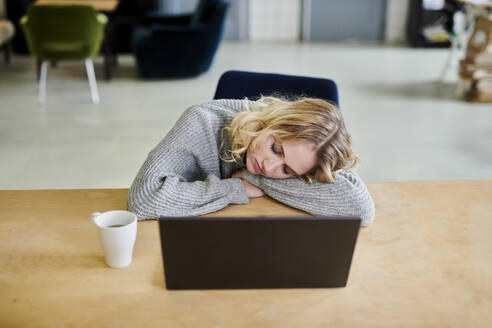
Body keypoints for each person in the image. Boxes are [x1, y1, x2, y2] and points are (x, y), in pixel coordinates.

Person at [127, 97, 375, 226]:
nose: (269, 166)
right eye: (276, 148)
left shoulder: (302, 160)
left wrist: (254, 179)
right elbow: (142, 200)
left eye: (287, 170)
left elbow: (360, 210)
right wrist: (234, 188)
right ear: (275, 118)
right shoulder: (200, 121)